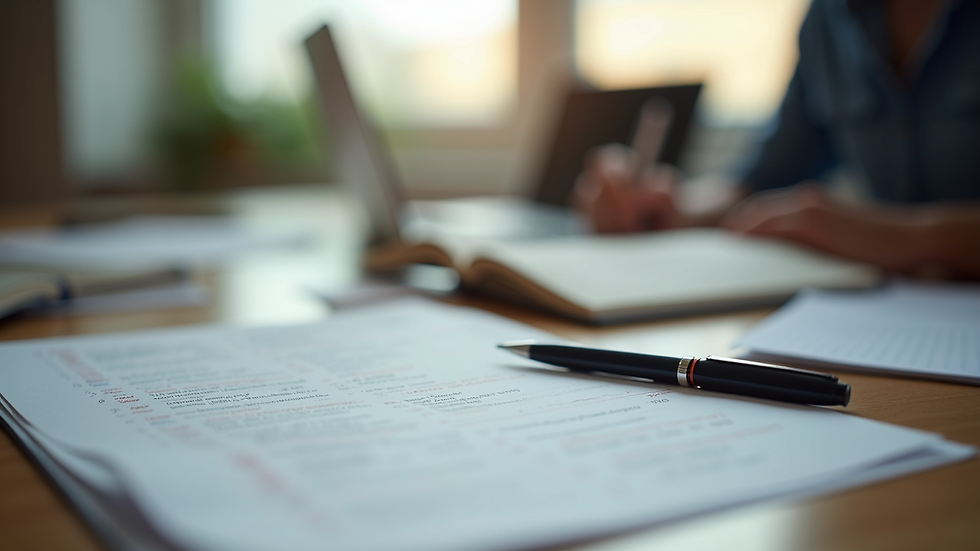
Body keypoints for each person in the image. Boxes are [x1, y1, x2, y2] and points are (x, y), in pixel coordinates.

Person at [574, 0, 980, 279]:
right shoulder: (829, 18)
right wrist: (674, 206)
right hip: (904, 311)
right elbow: (765, 179)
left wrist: (912, 237)